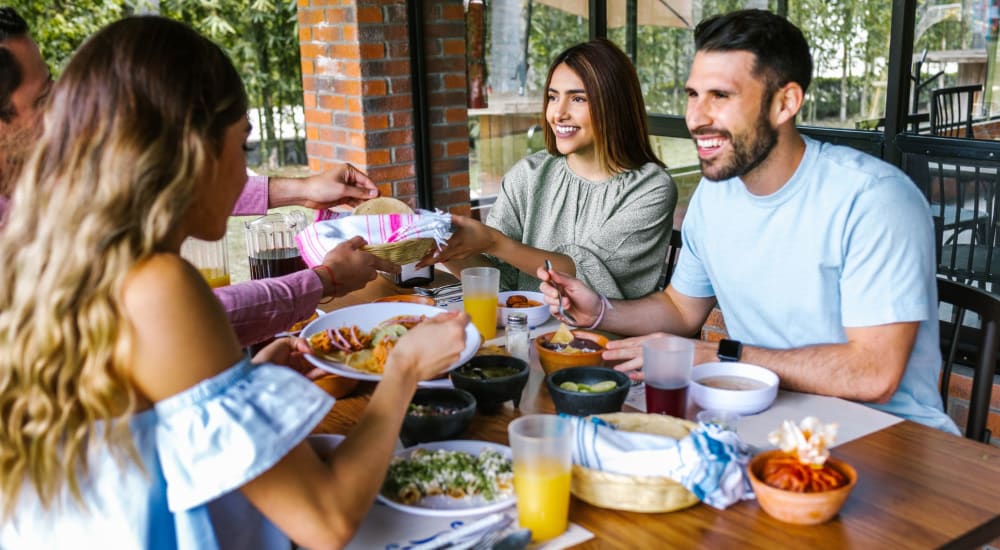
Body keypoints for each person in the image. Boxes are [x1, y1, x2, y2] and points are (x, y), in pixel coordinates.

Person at [0, 16, 470, 548]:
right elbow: (326, 520)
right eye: (244, 146)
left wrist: (243, 392)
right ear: (193, 150)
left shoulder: (72, 263)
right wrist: (405, 366)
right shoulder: (156, 285)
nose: (245, 175)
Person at [539, 9, 957, 433]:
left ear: (784, 103)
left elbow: (873, 374)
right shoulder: (715, 195)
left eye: (720, 96)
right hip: (765, 419)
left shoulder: (874, 199)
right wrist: (600, 311)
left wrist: (724, 357)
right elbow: (681, 310)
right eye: (692, 95)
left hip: (891, 437)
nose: (697, 118)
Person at [0, 7, 396, 347]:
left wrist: (303, 191)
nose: (60, 117)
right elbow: (186, 321)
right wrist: (324, 281)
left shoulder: (45, 192)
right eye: (42, 100)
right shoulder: (160, 283)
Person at [419, 38, 676, 300]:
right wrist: (442, 248)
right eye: (553, 97)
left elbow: (589, 280)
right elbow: (501, 280)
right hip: (531, 330)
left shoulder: (650, 188)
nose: (558, 113)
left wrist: (494, 241)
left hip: (608, 336)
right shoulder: (528, 175)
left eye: (578, 98)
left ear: (614, 105)